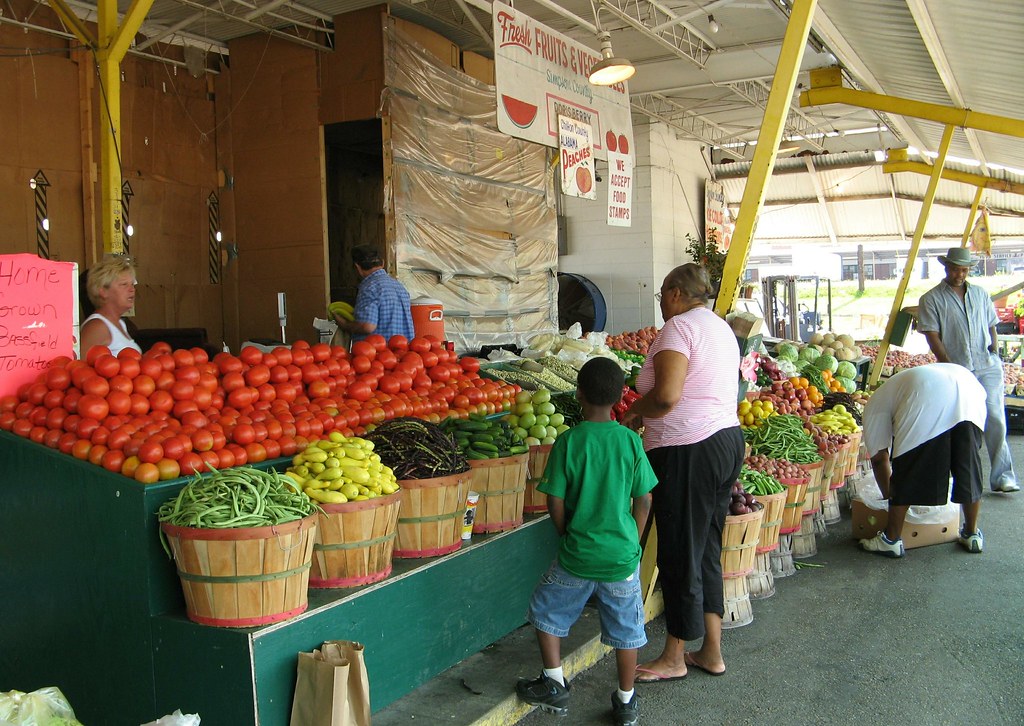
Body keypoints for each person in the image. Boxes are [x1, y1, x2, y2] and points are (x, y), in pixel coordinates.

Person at [516, 357, 657, 726]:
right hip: (622, 557)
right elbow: (644, 500)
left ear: (578, 394)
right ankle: (626, 701)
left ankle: (554, 682)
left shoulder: (569, 441)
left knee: (546, 611)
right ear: (621, 396)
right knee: (628, 631)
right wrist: (635, 542)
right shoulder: (629, 441)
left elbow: (554, 499)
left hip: (577, 555)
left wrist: (565, 533)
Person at [621, 263, 744, 682]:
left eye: (661, 294)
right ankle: (711, 650)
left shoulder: (678, 329)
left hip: (688, 450)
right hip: (725, 441)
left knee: (679, 551)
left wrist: (637, 411)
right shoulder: (720, 327)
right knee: (706, 546)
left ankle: (674, 657)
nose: (660, 302)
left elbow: (668, 395)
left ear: (675, 292)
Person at [917, 246, 1019, 493]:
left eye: (964, 270)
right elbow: (932, 335)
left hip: (987, 365)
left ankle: (1003, 476)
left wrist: (994, 349)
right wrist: (948, 363)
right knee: (961, 423)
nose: (960, 274)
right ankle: (956, 480)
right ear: (946, 267)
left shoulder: (981, 294)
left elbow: (991, 323)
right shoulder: (931, 299)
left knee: (995, 418)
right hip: (957, 368)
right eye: (955, 269)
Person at [859, 363, 988, 557]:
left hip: (926, 392)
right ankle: (972, 534)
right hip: (970, 388)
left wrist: (890, 499)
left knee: (908, 465)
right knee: (967, 464)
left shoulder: (873, 408)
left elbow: (879, 460)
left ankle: (890, 539)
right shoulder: (893, 391)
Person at [332, 245, 414, 344]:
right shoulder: (399, 286)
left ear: (357, 267)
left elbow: (367, 326)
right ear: (383, 263)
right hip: (403, 351)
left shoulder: (369, 288)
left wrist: (345, 324)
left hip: (378, 354)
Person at [80, 255, 143, 357]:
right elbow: (80, 369)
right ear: (103, 291)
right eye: (124, 284)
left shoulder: (120, 324)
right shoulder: (97, 327)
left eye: (132, 284)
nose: (132, 289)